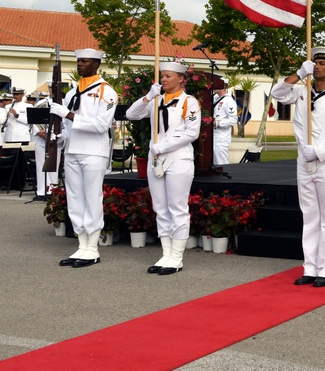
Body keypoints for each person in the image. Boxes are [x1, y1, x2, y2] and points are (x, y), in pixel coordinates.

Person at [271, 47, 325, 287]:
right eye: (314, 62)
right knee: (309, 216)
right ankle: (310, 266)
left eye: (322, 64)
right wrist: (298, 74)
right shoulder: (301, 92)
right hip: (303, 162)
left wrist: (318, 151)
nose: (316, 66)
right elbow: (277, 93)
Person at [126, 61, 202, 275]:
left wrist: (164, 145)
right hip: (156, 159)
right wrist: (148, 96)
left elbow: (191, 133)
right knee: (160, 207)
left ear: (180, 79)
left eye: (168, 76)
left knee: (177, 207)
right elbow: (132, 114)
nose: (164, 80)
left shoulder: (189, 102)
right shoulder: (156, 99)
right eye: (162, 76)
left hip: (178, 158)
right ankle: (166, 253)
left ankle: (177, 256)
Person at [48, 49, 118, 268]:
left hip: (93, 151)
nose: (80, 64)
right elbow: (69, 126)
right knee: (75, 198)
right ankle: (81, 245)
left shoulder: (106, 91)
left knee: (91, 198)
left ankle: (93, 248)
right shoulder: (71, 93)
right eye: (78, 61)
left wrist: (66, 114)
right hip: (72, 150)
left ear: (96, 64)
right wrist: (59, 136)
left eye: (84, 61)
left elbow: (99, 126)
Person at [212, 77, 239, 166]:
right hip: (213, 134)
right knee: (213, 160)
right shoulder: (215, 98)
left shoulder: (229, 101)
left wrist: (217, 123)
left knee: (220, 161)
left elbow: (233, 120)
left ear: (223, 86)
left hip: (221, 136)